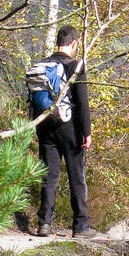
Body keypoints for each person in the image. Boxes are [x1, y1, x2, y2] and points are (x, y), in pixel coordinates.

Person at [30, 25, 93, 238]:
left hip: (45, 125)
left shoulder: (43, 64)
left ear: (58, 42)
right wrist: (86, 132)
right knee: (76, 175)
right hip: (70, 128)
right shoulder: (75, 66)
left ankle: (44, 224)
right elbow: (82, 103)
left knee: (49, 175)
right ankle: (80, 226)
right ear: (74, 43)